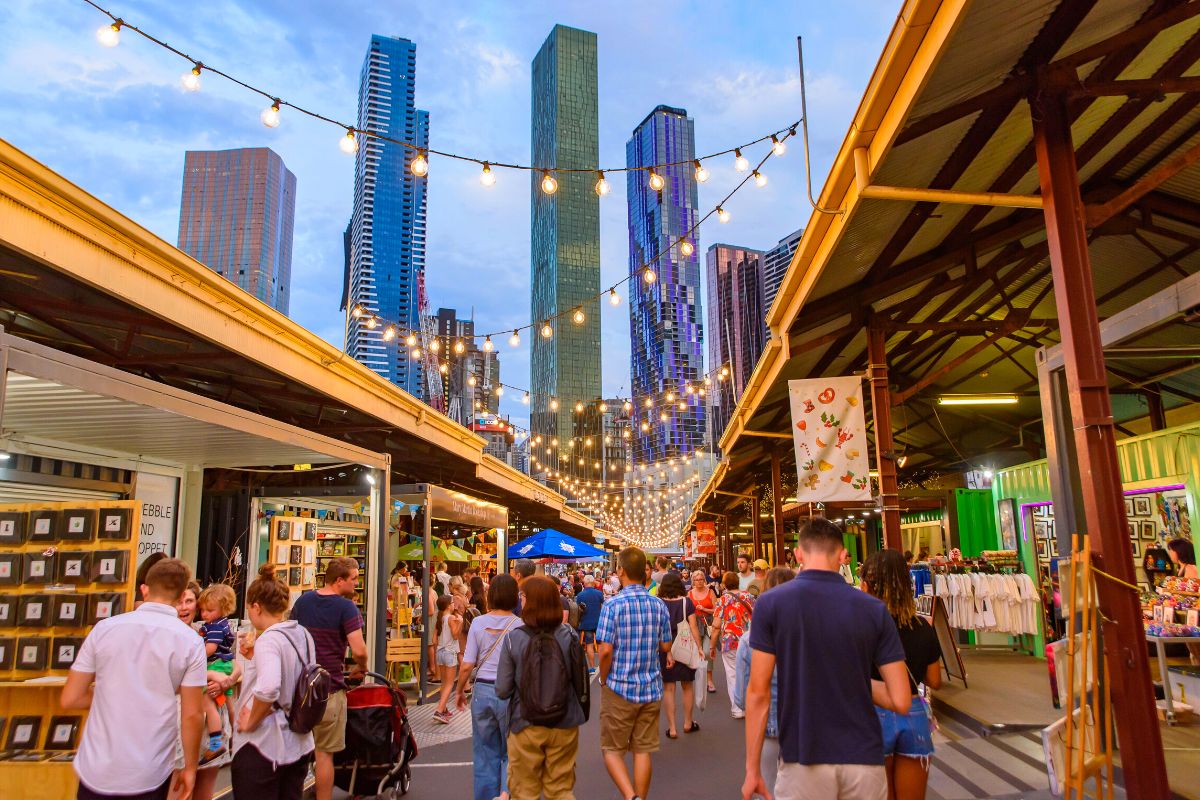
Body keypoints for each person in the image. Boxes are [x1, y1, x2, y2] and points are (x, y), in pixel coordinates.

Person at [742, 518, 912, 800]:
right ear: (843, 555)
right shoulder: (873, 609)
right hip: (865, 759)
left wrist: (752, 769)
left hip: (803, 757)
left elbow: (758, 693)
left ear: (798, 554)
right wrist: (852, 680)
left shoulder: (771, 604)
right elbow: (901, 700)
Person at [62, 558, 206, 800]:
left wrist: (113, 694)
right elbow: (192, 714)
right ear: (183, 596)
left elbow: (70, 698)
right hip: (149, 767)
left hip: (96, 767)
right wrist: (190, 767)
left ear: (144, 589)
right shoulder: (189, 641)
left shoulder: (105, 629)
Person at [496, 575, 589, 800]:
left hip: (524, 723)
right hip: (565, 722)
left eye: (522, 596)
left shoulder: (513, 639)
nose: (521, 600)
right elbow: (581, 682)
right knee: (561, 790)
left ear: (528, 600)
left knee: (524, 792)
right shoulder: (570, 636)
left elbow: (502, 689)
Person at [859, 550, 942, 800]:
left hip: (871, 713)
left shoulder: (859, 627)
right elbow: (934, 681)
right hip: (913, 714)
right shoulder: (921, 626)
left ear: (866, 584)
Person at [231, 563, 316, 798]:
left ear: (256, 607)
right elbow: (297, 676)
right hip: (299, 741)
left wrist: (251, 721)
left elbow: (269, 688)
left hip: (265, 745)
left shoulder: (269, 640)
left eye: (248, 608)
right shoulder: (302, 634)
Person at [597, 547, 674, 800]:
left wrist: (604, 678)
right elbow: (665, 646)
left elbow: (605, 650)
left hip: (619, 686)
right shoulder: (658, 605)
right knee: (643, 750)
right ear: (645, 571)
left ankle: (631, 797)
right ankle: (640, 796)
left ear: (621, 570)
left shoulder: (612, 605)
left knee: (612, 750)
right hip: (650, 686)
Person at [290, 556, 368, 800]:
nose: (357, 583)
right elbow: (359, 650)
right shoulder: (346, 608)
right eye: (354, 578)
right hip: (330, 688)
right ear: (339, 580)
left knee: (297, 753)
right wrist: (361, 667)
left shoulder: (303, 602)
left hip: (300, 689)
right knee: (325, 754)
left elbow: (291, 637)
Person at [456, 574, 520, 800]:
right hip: (511, 692)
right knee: (511, 750)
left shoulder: (479, 623)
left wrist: (459, 691)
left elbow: (467, 664)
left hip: (482, 690)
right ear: (515, 597)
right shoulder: (520, 625)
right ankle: (506, 794)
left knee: (484, 752)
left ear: (490, 595)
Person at [176, 581, 239, 800]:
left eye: (190, 601)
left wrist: (228, 679)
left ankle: (226, 740)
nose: (184, 608)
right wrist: (212, 676)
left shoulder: (205, 631)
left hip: (211, 719)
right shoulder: (172, 635)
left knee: (205, 790)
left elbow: (234, 663)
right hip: (182, 720)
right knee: (179, 787)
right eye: (179, 602)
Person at [734, 567, 794, 799]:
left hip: (767, 730)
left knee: (766, 789)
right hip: (804, 728)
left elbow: (740, 697)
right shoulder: (810, 634)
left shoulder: (749, 640)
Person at [657, 572, 700, 739]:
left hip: (665, 646)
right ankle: (688, 722)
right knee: (687, 686)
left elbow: (658, 627)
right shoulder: (686, 602)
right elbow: (694, 626)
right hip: (684, 645)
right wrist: (699, 647)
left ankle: (672, 728)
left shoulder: (659, 603)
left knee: (669, 688)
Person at [711, 571, 755, 718]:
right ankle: (750, 706)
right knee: (749, 673)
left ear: (724, 584)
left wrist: (712, 646)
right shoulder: (748, 597)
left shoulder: (723, 600)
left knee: (732, 674)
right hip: (750, 640)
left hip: (730, 641)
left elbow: (716, 625)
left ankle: (737, 709)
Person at [433, 595, 463, 723]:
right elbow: (455, 636)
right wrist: (460, 622)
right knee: (450, 684)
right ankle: (439, 710)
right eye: (452, 603)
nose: (453, 605)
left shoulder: (439, 619)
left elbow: (434, 640)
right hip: (450, 652)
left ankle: (444, 708)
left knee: (443, 683)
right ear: (447, 606)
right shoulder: (451, 618)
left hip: (440, 652)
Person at [688, 569, 718, 693]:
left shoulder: (710, 592)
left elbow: (717, 610)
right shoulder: (689, 593)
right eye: (696, 580)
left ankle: (710, 679)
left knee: (706, 651)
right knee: (695, 653)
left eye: (701, 579)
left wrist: (705, 609)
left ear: (704, 580)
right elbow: (686, 609)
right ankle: (698, 678)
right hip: (694, 624)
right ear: (693, 581)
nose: (699, 582)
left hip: (708, 624)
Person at [576, 574, 605, 672]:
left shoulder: (580, 595)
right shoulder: (599, 593)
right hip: (598, 622)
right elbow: (602, 607)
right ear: (592, 582)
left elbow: (579, 609)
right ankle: (602, 666)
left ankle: (592, 667)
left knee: (589, 645)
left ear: (584, 583)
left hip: (586, 622)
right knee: (600, 645)